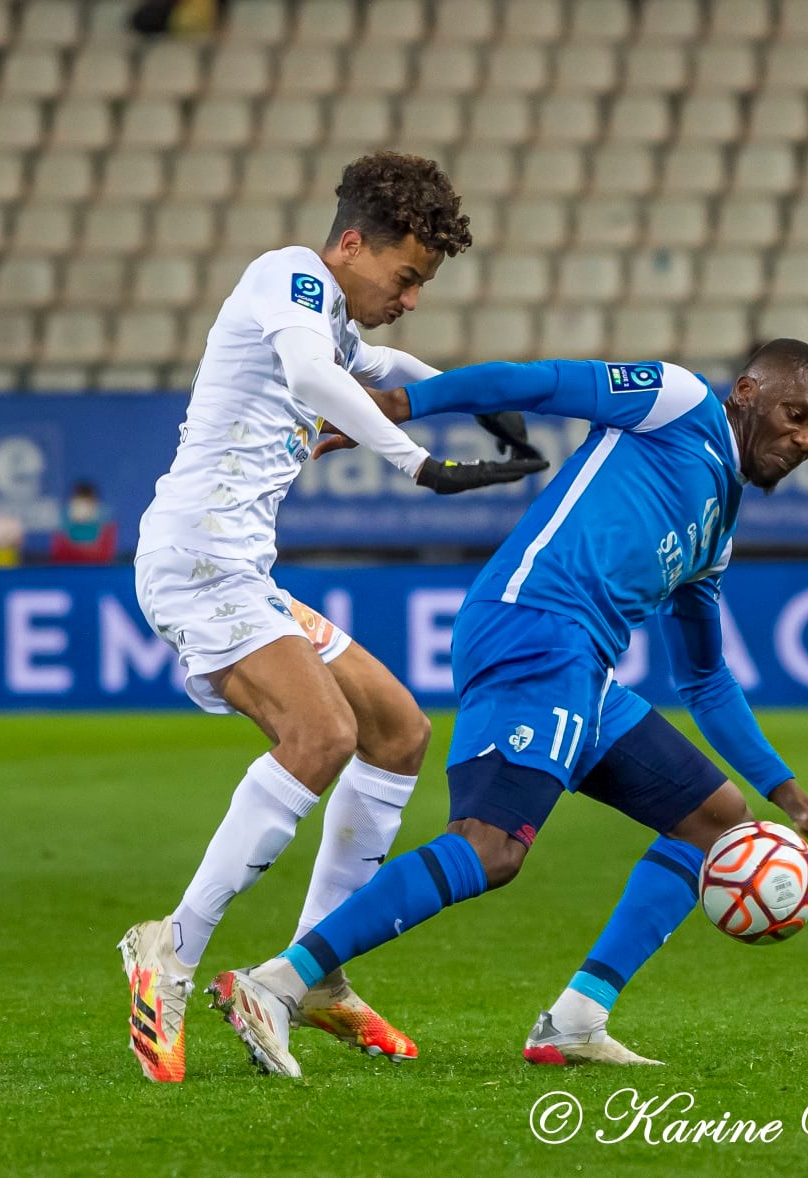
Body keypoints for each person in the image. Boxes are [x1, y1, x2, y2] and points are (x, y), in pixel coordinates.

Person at [208, 341, 808, 1078]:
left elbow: (705, 678)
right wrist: (400, 405)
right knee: (490, 847)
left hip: (582, 666)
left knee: (717, 822)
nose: (805, 440)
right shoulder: (678, 403)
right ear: (747, 391)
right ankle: (281, 982)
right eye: (796, 415)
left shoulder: (718, 525)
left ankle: (577, 1020)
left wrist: (794, 800)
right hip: (535, 626)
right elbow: (541, 382)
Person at [120, 152, 546, 1084]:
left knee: (397, 731)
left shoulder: (332, 319)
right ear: (351, 244)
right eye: (406, 276)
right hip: (198, 561)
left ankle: (313, 972)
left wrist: (482, 407)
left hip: (244, 572)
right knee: (320, 735)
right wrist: (419, 465)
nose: (411, 298)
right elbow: (316, 375)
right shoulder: (290, 277)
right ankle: (171, 952)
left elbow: (382, 367)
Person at [50, 480, 117, 565]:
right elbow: (59, 555)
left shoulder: (106, 524)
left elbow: (104, 556)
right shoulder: (62, 523)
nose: (83, 509)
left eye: (88, 503)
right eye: (78, 504)